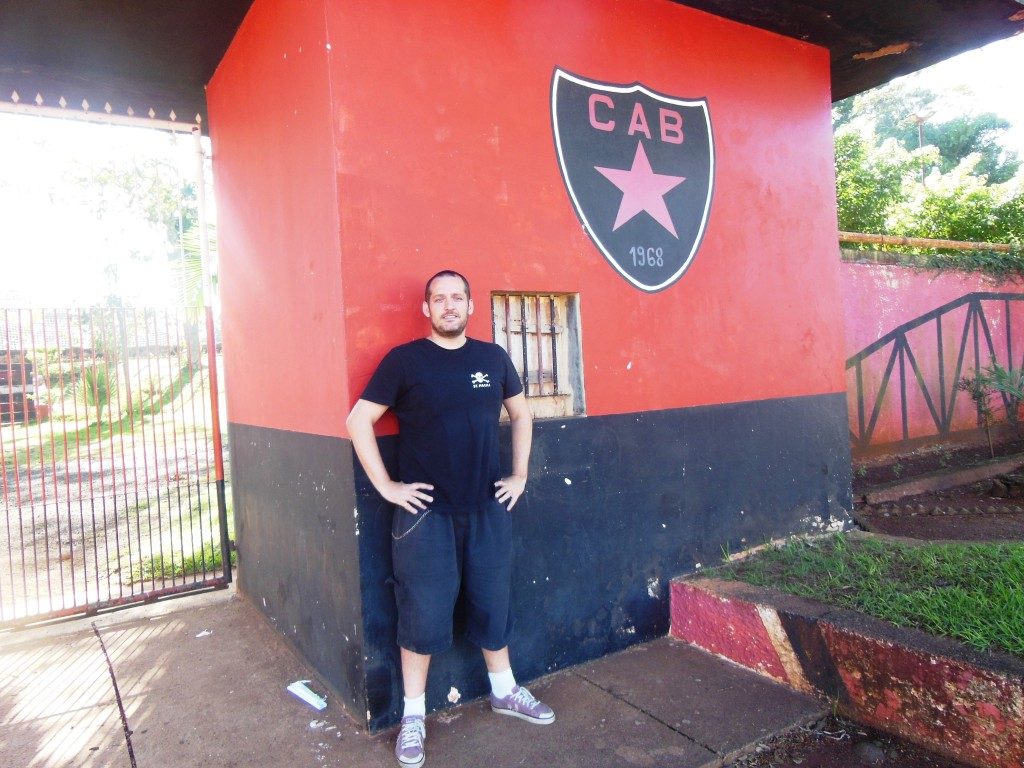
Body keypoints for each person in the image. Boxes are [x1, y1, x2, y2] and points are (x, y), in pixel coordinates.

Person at [346, 269, 555, 768]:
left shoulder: (492, 358)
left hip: (487, 507)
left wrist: (520, 475)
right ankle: (414, 718)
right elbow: (359, 420)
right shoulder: (404, 362)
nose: (448, 306)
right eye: (438, 299)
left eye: (457, 297)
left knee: (492, 600)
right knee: (421, 611)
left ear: (470, 305)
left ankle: (504, 690)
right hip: (426, 516)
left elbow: (521, 414)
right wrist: (386, 488)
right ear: (426, 309)